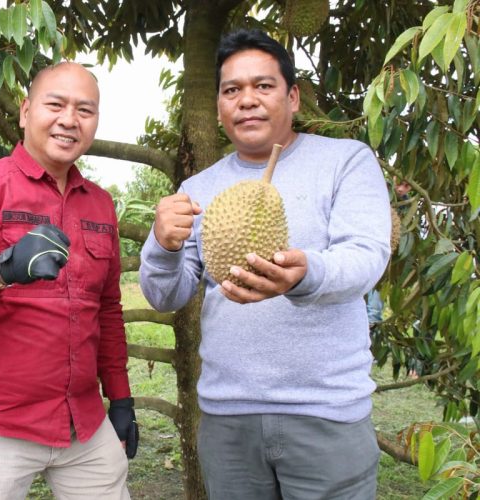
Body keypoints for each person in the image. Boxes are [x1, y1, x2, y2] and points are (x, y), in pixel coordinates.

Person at [139, 29, 390, 499]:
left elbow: (365, 257)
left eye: (263, 86)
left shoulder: (345, 162)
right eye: (232, 90)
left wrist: (304, 275)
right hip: (227, 417)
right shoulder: (198, 186)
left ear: (292, 97)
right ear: (218, 106)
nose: (247, 100)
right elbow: (165, 294)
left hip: (326, 413)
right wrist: (161, 244)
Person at [0, 62, 137, 500]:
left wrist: (122, 398)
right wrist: (1, 269)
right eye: (56, 104)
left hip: (82, 424)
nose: (69, 119)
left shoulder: (100, 205)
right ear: (25, 111)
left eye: (85, 110)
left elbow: (106, 309)